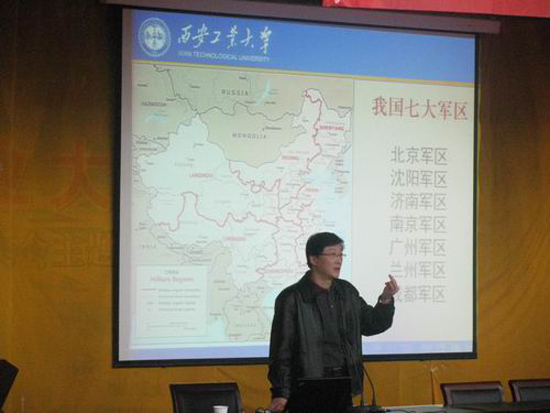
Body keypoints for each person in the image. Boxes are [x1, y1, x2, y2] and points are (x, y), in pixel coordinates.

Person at [267, 232, 400, 412]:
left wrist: (385, 299)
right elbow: (281, 351)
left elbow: (371, 324)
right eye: (332, 254)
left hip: (344, 382)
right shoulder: (292, 298)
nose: (338, 260)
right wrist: (281, 392)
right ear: (313, 259)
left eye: (340, 254)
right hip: (308, 383)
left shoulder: (347, 292)